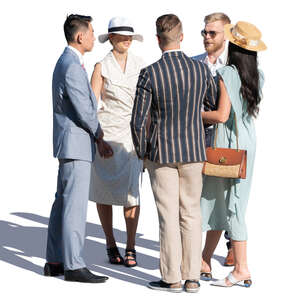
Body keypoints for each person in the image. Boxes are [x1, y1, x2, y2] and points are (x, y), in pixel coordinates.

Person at [131, 14, 217, 293]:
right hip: (194, 151)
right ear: (182, 37)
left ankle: (171, 279)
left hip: (162, 153)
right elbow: (211, 104)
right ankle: (193, 278)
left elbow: (137, 120)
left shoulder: (150, 73)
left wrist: (143, 151)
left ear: (157, 40)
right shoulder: (201, 70)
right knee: (191, 214)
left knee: (168, 216)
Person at [44, 14, 113, 283]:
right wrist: (99, 135)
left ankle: (55, 260)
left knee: (62, 202)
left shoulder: (68, 62)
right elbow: (84, 109)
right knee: (73, 206)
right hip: (76, 145)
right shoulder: (71, 65)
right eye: (92, 32)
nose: (95, 37)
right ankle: (73, 265)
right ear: (80, 36)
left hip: (69, 144)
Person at [200, 21, 266, 287]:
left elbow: (221, 115)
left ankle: (242, 268)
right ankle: (204, 259)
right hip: (247, 144)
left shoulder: (227, 73)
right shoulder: (257, 74)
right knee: (223, 200)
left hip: (227, 146)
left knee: (231, 205)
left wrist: (194, 114)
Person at [89, 16, 145, 267]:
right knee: (104, 190)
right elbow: (91, 104)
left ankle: (131, 245)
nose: (126, 40)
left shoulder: (141, 65)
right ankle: (110, 243)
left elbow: (148, 104)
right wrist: (98, 137)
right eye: (121, 35)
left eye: (129, 35)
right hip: (107, 134)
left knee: (132, 193)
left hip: (132, 135)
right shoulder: (101, 66)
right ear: (110, 37)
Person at [193, 12, 235, 271]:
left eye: (213, 33)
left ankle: (231, 243)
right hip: (197, 138)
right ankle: (200, 254)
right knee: (201, 196)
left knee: (226, 195)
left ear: (226, 35)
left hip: (224, 139)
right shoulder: (193, 62)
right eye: (204, 32)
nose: (207, 37)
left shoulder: (234, 65)